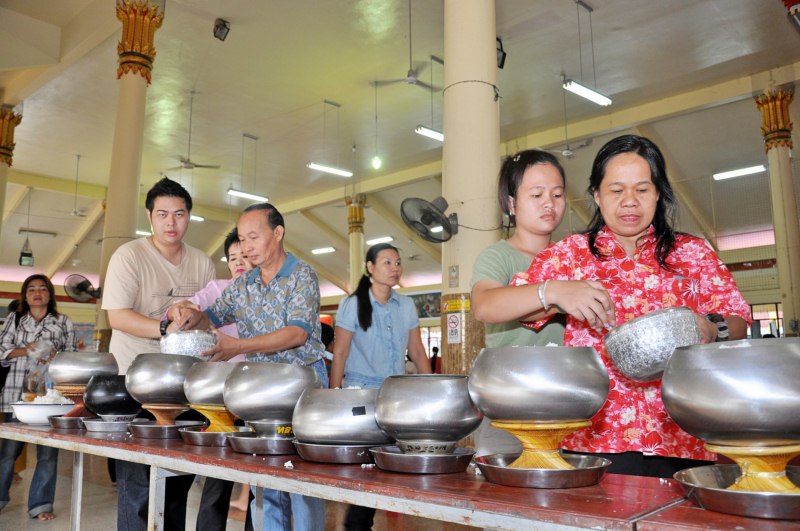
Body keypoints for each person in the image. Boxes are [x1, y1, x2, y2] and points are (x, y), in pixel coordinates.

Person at [504, 134, 750, 477]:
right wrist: (556, 291)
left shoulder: (692, 253)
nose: (630, 202)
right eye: (617, 190)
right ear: (597, 194)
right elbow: (512, 304)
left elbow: (738, 318)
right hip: (595, 438)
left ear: (658, 193)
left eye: (642, 189)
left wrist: (712, 327)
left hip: (682, 432)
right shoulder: (571, 255)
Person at [170, 203, 329, 531]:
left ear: (278, 233)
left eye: (254, 237)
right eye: (242, 239)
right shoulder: (243, 285)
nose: (246, 247)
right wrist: (187, 314)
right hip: (261, 389)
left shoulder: (302, 275)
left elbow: (297, 334)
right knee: (265, 476)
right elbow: (210, 317)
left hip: (302, 385)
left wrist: (238, 347)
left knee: (305, 478)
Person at [101, 177, 215, 531]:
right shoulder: (129, 256)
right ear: (149, 216)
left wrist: (195, 318)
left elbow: (210, 319)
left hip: (183, 383)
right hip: (135, 380)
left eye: (179, 214)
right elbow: (117, 317)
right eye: (163, 214)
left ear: (189, 216)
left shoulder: (202, 262)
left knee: (179, 478)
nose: (171, 222)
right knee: (137, 483)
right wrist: (166, 326)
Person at [469, 149, 568, 457]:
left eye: (557, 194)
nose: (549, 203)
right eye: (537, 194)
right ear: (511, 204)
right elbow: (484, 305)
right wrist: (552, 293)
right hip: (508, 406)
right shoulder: (498, 256)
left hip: (563, 402)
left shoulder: (572, 259)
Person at [328, 243, 432, 530]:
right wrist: (333, 396)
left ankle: (359, 524)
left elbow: (417, 351)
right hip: (360, 395)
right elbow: (340, 352)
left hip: (394, 396)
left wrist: (432, 386)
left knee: (384, 465)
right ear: (370, 267)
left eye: (397, 262)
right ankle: (356, 525)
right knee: (365, 465)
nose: (395, 267)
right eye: (387, 262)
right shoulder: (353, 304)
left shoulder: (406, 305)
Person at [167, 227, 253, 530]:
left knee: (258, 476)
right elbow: (186, 307)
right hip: (220, 393)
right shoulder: (218, 289)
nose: (239, 262)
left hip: (256, 392)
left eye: (244, 255)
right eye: (232, 257)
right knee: (218, 472)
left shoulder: (268, 293)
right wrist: (180, 311)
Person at [0, 274, 77, 521]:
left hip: (49, 397)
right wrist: (26, 350)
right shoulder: (14, 319)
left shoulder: (63, 321)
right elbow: (1, 350)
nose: (37, 293)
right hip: (17, 394)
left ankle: (40, 505)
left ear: (50, 295)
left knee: (48, 453)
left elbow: (72, 355)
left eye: (43, 289)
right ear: (25, 295)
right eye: (31, 289)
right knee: (8, 452)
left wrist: (57, 357)